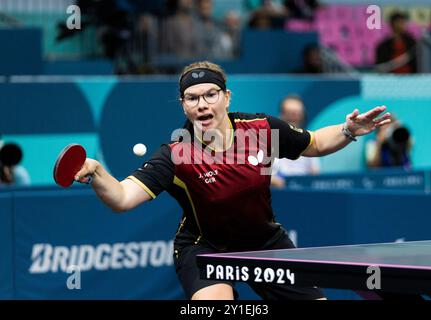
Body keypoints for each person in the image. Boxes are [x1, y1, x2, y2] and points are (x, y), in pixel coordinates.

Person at [74, 61, 391, 300]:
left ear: (226, 97)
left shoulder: (262, 129)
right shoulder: (175, 155)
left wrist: (349, 130)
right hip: (206, 248)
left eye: (210, 94)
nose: (202, 104)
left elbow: (316, 143)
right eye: (192, 97)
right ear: (184, 105)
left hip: (264, 243)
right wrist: (99, 173)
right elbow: (122, 198)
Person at [271, 95, 320, 188]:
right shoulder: (270, 138)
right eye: (289, 113)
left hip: (303, 192)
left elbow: (315, 172)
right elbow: (263, 175)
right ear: (281, 115)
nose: (293, 118)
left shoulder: (308, 138)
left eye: (297, 114)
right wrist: (276, 182)